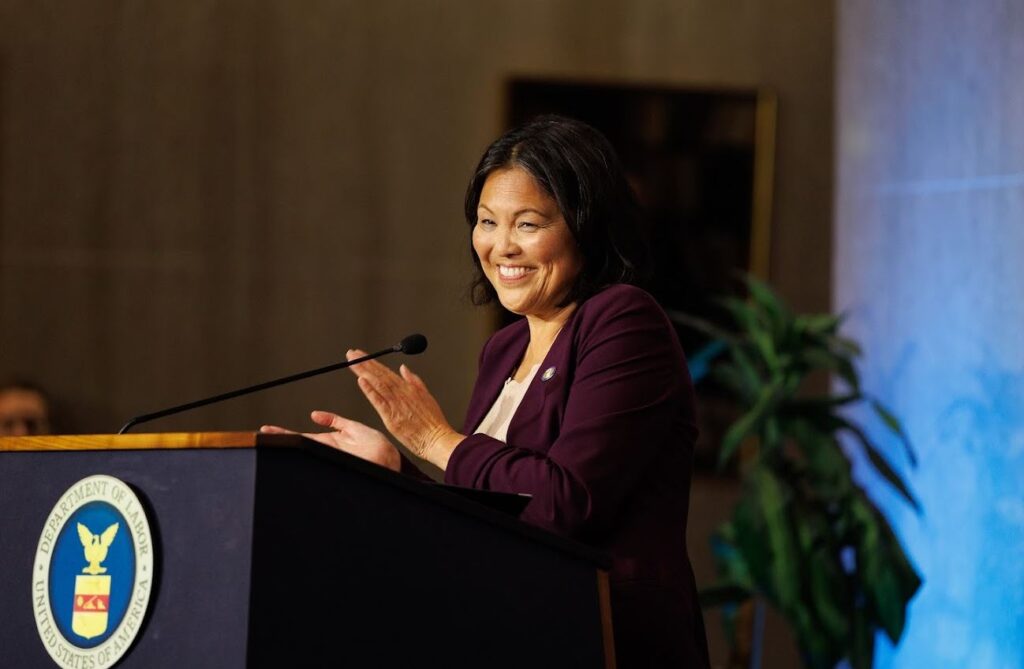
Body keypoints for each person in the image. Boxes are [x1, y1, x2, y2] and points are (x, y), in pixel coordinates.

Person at [262, 115, 710, 667]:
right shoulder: (503, 351)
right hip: (510, 634)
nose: (501, 246)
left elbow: (565, 505)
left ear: (586, 226)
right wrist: (391, 475)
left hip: (609, 643)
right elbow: (491, 524)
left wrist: (434, 440)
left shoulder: (622, 322)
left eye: (527, 224)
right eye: (486, 222)